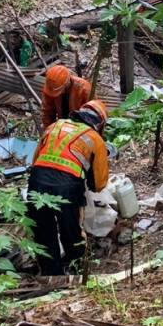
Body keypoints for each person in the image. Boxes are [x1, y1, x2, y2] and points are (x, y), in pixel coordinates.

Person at [27, 100, 111, 276]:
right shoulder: (95, 138)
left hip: (37, 181)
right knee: (70, 229)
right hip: (66, 186)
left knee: (43, 231)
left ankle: (51, 274)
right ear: (100, 122)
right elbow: (99, 184)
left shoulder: (54, 126)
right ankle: (76, 269)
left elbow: (36, 160)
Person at [41, 64, 92, 129]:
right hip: (62, 125)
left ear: (67, 83)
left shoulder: (83, 88)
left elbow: (92, 115)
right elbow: (47, 112)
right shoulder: (50, 88)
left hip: (80, 127)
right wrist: (48, 131)